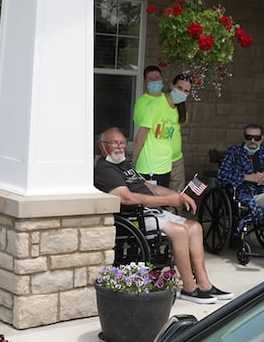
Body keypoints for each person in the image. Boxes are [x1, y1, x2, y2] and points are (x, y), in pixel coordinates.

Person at [94, 128, 230, 301]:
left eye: (122, 142)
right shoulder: (105, 169)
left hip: (153, 213)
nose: (120, 146)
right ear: (102, 147)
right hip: (135, 218)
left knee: (195, 227)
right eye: (114, 143)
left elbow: (150, 188)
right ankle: (189, 287)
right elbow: (127, 198)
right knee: (180, 231)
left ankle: (205, 285)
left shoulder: (125, 165)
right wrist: (166, 200)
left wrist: (178, 196)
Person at [216, 123, 264, 273]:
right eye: (249, 137)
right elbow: (221, 176)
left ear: (262, 138)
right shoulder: (235, 153)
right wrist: (248, 177)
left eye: (256, 137)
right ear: (244, 138)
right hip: (247, 196)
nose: (253, 140)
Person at [133, 70, 190, 188]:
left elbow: (183, 122)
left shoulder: (177, 109)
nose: (182, 93)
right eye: (179, 88)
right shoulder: (155, 105)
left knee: (167, 201)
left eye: (186, 91)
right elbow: (140, 137)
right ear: (171, 86)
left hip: (166, 165)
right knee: (151, 203)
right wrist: (134, 163)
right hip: (150, 166)